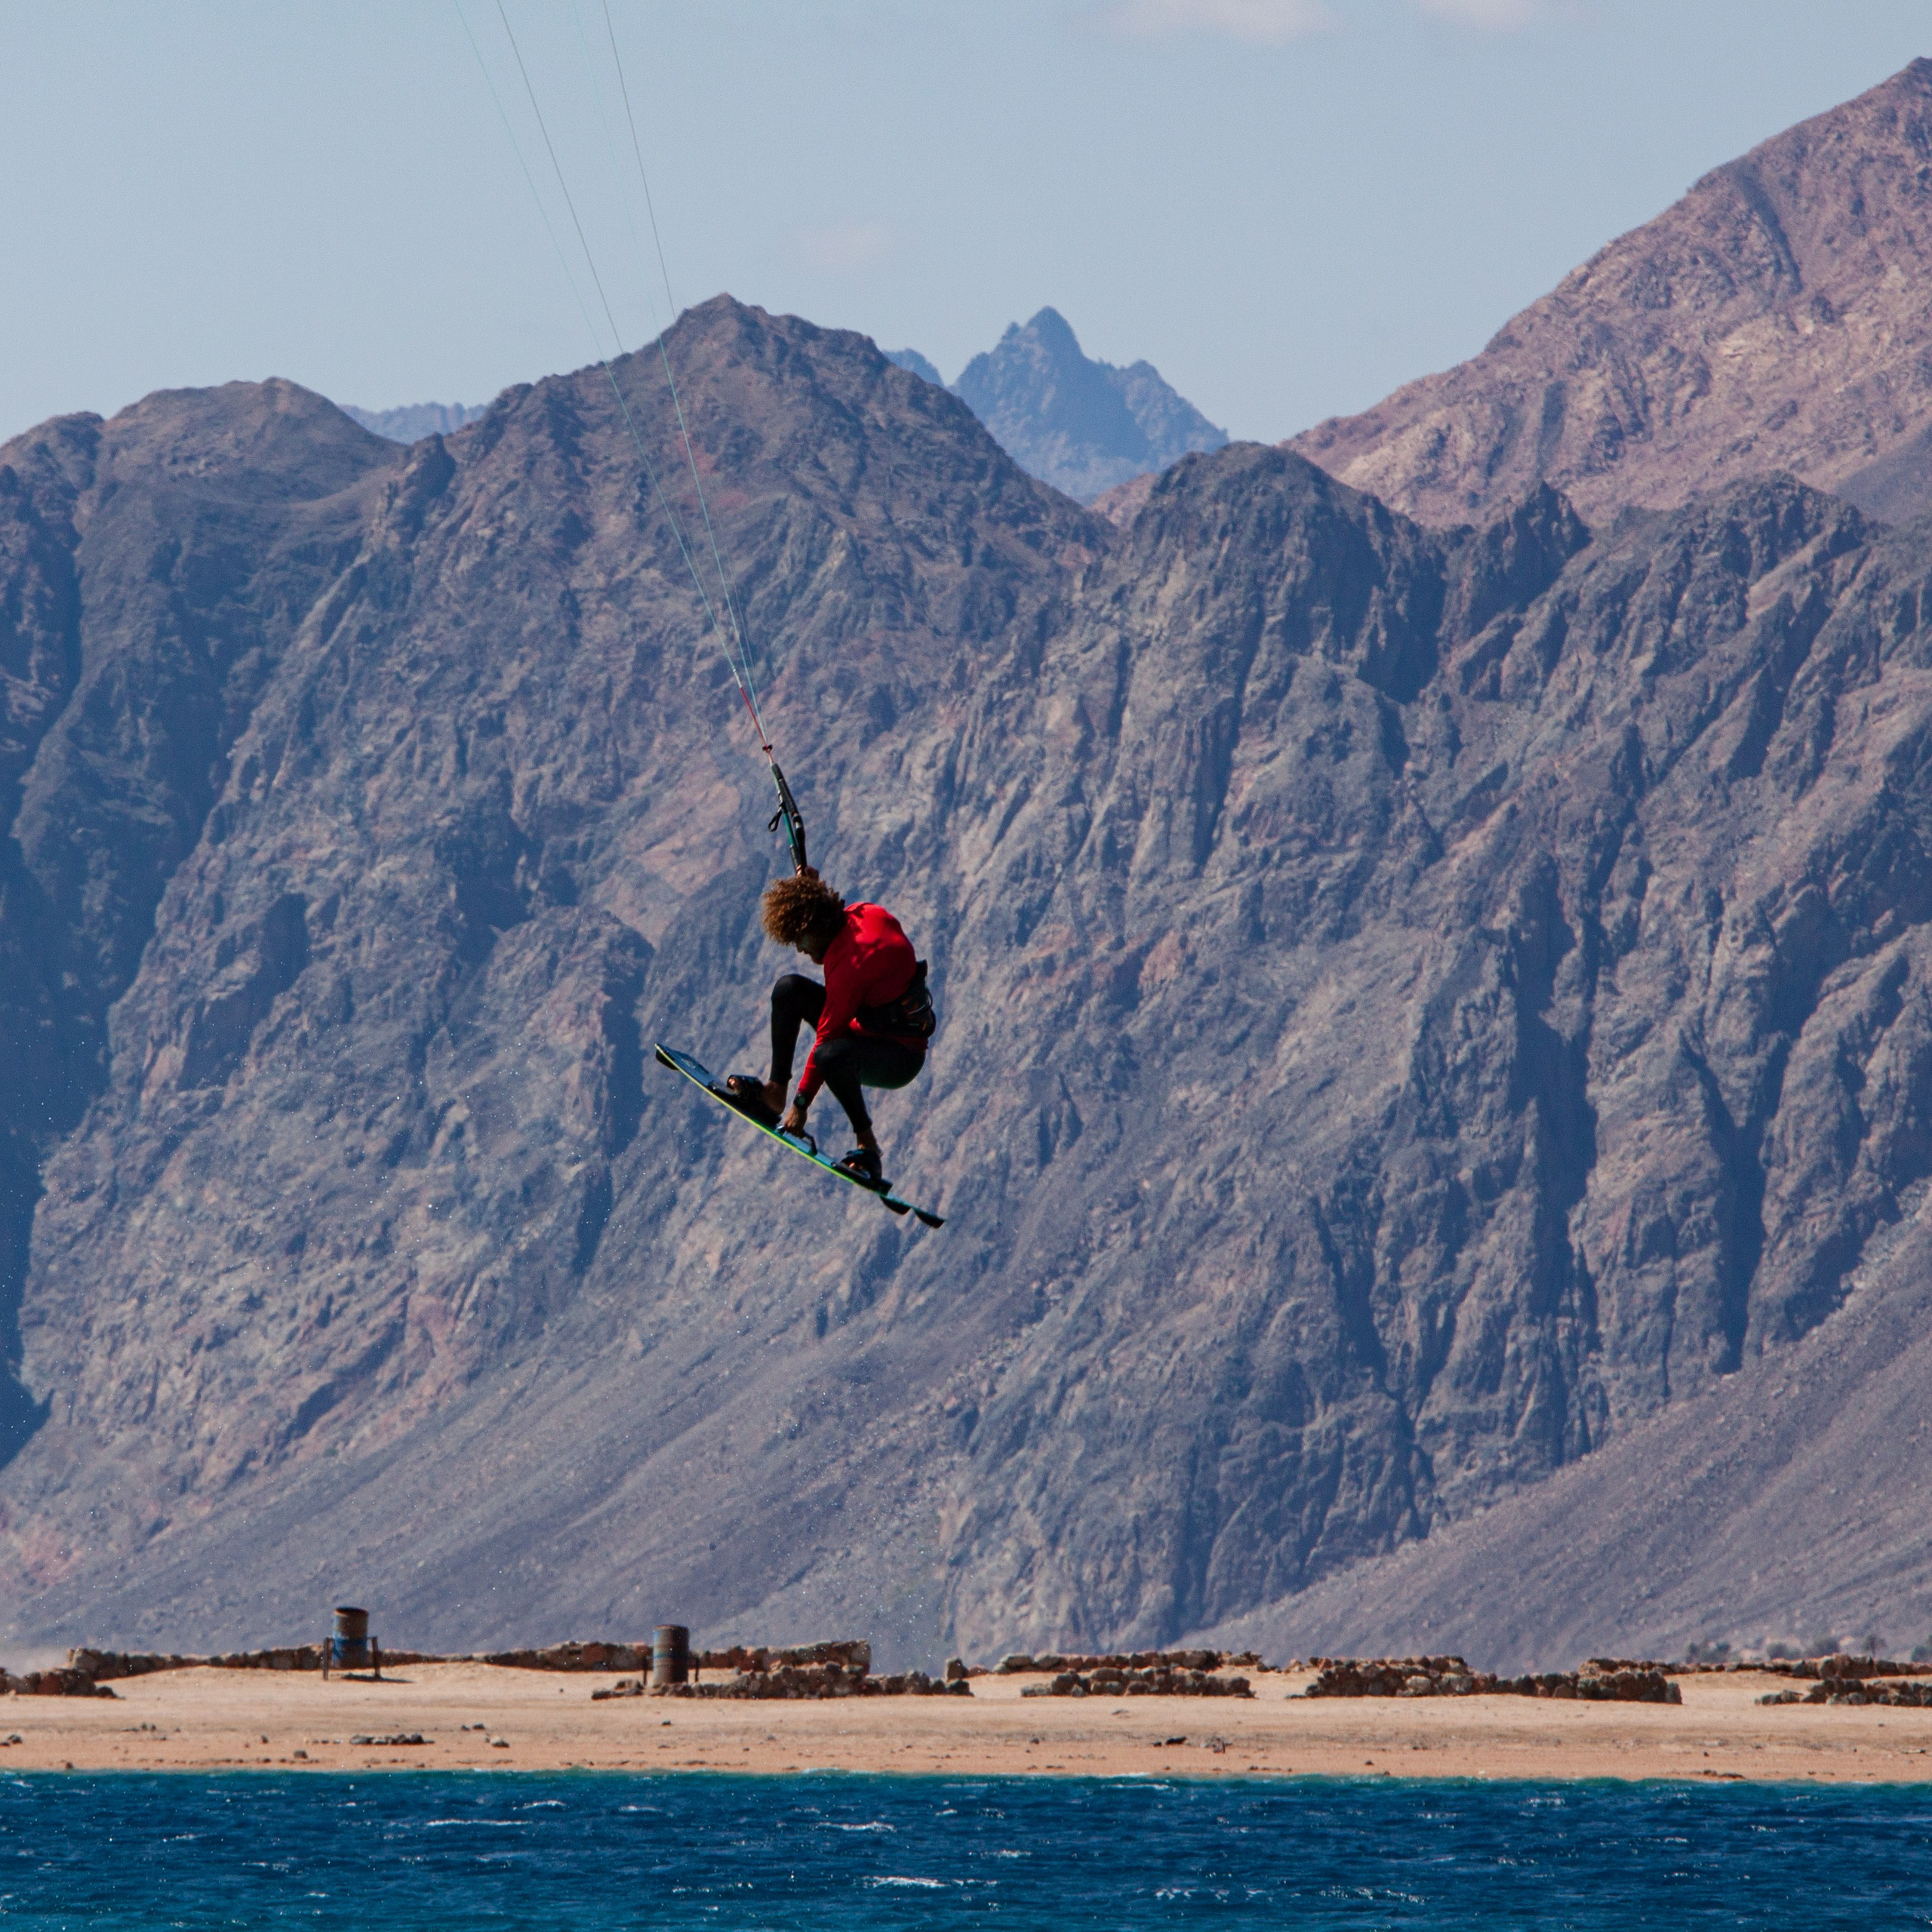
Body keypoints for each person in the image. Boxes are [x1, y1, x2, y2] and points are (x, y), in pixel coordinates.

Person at [724, 872, 934, 1186]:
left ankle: (868, 1147)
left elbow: (827, 1039)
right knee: (789, 990)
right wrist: (810, 888)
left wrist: (801, 1106)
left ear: (815, 927)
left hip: (900, 1057)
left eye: (801, 939)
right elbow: (822, 913)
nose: (800, 949)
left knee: (830, 1055)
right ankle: (774, 1094)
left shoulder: (850, 966)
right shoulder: (861, 912)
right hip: (864, 1027)